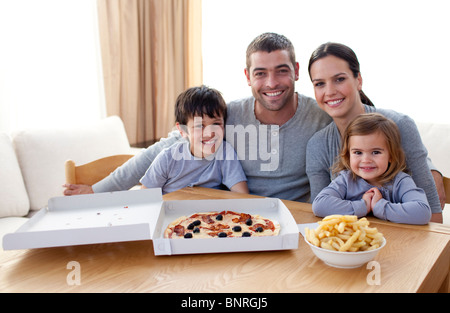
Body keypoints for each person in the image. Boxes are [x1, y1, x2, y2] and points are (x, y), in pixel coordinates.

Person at [63, 32, 332, 201]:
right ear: (248, 77)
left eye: (281, 71)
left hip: (294, 220)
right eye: (261, 73)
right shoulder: (229, 114)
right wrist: (97, 191)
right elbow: (162, 149)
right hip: (233, 220)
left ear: (296, 71)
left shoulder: (321, 116)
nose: (271, 83)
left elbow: (363, 124)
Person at [306, 42, 443, 223]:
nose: (330, 91)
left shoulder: (400, 125)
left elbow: (432, 216)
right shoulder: (318, 145)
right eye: (320, 84)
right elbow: (321, 215)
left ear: (358, 80)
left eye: (339, 79)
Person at [312, 113, 432, 225]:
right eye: (358, 152)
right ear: (348, 155)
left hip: (394, 243)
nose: (366, 160)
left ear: (390, 155)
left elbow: (423, 212)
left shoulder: (401, 181)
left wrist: (379, 206)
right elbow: (319, 205)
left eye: (375, 152)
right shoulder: (346, 180)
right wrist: (363, 206)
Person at [139, 85, 248, 194]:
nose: (209, 133)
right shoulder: (168, 158)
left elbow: (243, 196)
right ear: (182, 130)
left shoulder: (225, 153)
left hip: (209, 210)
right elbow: (144, 198)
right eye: (200, 126)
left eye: (216, 124)